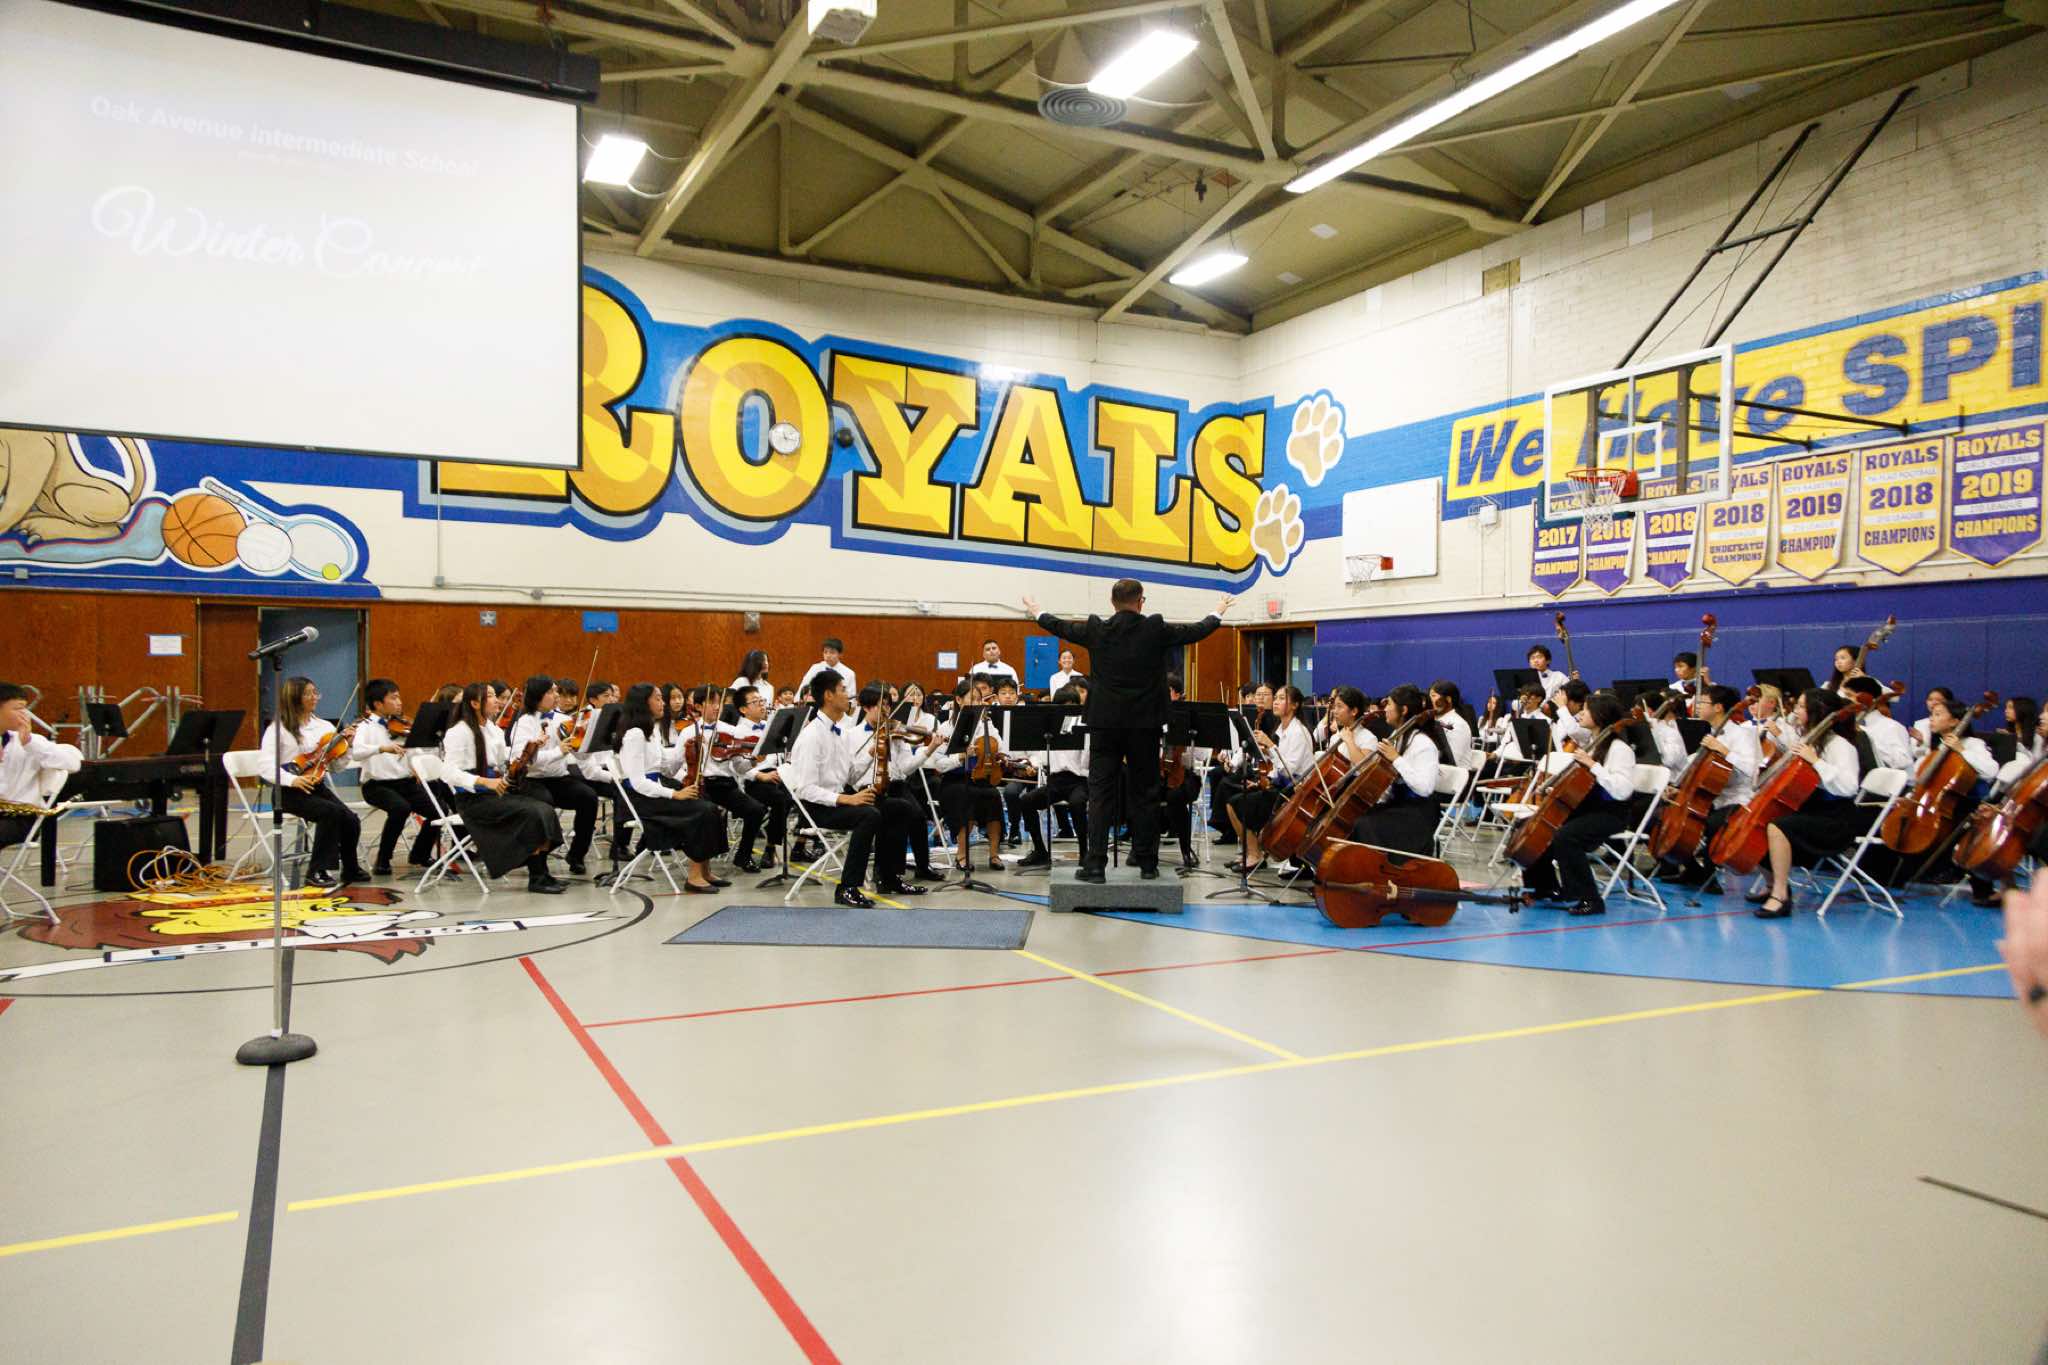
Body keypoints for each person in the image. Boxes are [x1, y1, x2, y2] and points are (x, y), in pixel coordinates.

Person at [1025, 579, 1229, 882]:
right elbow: (1196, 631)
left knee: (1100, 794)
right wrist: (1218, 611)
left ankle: (1095, 865)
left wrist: (1038, 612)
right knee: (1145, 794)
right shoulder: (1154, 628)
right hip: (1144, 725)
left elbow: (1061, 627)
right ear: (1141, 602)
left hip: (1105, 724)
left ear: (1112, 602)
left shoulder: (1097, 629)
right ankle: (1147, 864)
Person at [784, 668, 920, 906]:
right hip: (818, 807)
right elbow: (804, 789)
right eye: (843, 690)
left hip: (836, 799)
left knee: (900, 808)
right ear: (828, 695)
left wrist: (870, 754)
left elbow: (850, 775)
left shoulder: (839, 733)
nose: (848, 695)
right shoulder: (811, 736)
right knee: (868, 815)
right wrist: (846, 799)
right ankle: (847, 887)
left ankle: (888, 877)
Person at [1736, 688, 1864, 919]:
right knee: (1757, 825)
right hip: (1810, 809)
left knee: (1778, 827)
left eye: (1802, 706)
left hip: (1835, 819)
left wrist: (1815, 761)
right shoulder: (1808, 740)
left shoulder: (1840, 746)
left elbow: (1848, 787)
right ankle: (1772, 884)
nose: (1795, 710)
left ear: (1818, 711)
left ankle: (1781, 896)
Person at [1518, 691, 1638, 917]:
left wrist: (1593, 765)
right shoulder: (1593, 742)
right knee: (1532, 824)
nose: (1581, 714)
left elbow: (1622, 791)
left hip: (1611, 813)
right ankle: (1545, 887)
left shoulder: (1620, 749)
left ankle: (1590, 899)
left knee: (1566, 836)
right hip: (1587, 808)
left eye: (1586, 710)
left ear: (1600, 715)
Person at [439, 682, 566, 894]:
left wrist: (532, 748)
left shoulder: (494, 729)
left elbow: (502, 761)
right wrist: (483, 781)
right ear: (474, 703)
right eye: (490, 696)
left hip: (495, 793)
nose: (497, 700)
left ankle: (542, 873)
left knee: (545, 808)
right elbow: (448, 772)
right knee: (533, 812)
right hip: (473, 800)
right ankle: (536, 876)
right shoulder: (458, 732)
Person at [614, 684, 727, 893]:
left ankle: (705, 871)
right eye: (658, 698)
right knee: (701, 811)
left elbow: (667, 768)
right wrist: (674, 794)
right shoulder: (635, 734)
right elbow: (638, 782)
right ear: (643, 703)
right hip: (640, 799)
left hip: (653, 791)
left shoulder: (651, 731)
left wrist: (688, 748)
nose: (663, 703)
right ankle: (694, 877)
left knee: (709, 807)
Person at [258, 676, 365, 888]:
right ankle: (316, 870)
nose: (314, 697)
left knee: (351, 819)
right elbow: (265, 767)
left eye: (316, 692)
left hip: (316, 787)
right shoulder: (278, 728)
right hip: (288, 791)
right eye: (308, 693)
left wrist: (348, 746)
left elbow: (335, 767)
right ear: (294, 697)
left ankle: (350, 868)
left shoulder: (324, 726)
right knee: (330, 813)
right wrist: (293, 779)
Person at [1659, 683, 1761, 892]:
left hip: (1736, 799)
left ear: (1718, 707)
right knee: (1661, 814)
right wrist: (1677, 787)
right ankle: (1693, 870)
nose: (1697, 705)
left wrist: (1725, 751)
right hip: (1710, 797)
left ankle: (1709, 876)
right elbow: (1696, 766)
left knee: (1711, 823)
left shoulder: (1742, 735)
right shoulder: (1712, 733)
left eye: (1703, 702)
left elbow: (1751, 770)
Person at [508, 675, 601, 876]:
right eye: (551, 692)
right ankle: (539, 868)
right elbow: (521, 760)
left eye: (556, 691)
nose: (557, 696)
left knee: (588, 797)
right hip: (530, 781)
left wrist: (586, 743)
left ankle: (576, 854)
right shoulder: (524, 723)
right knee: (545, 804)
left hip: (558, 778)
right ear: (538, 696)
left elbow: (580, 754)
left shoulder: (564, 720)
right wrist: (558, 751)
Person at [1345, 684, 1451, 857]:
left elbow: (1425, 788)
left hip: (1418, 814)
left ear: (1404, 710)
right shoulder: (1398, 738)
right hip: (1398, 805)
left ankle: (1381, 868)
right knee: (1356, 816)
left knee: (1365, 824)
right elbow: (1391, 781)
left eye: (1389, 704)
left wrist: (1396, 759)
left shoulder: (1423, 744)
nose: (1385, 709)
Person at [351, 678, 439, 876]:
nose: (399, 702)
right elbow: (356, 752)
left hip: (405, 783)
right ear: (378, 704)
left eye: (399, 697)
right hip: (377, 785)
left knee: (438, 810)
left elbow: (413, 751)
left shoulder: (400, 725)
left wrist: (419, 764)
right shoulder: (365, 726)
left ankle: (420, 854)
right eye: (393, 698)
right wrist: (381, 748)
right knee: (401, 808)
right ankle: (383, 860)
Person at [1224, 684, 1313, 875]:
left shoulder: (1298, 732)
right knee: (1233, 798)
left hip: (1293, 793)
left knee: (1237, 804)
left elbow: (1289, 771)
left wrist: (1271, 746)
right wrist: (1261, 781)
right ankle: (1251, 852)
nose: (1276, 702)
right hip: (1280, 786)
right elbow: (1277, 768)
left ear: (1295, 705)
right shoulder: (1281, 729)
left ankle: (1254, 855)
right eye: (1277, 698)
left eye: (1282, 698)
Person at [1015, 683, 1088, 868]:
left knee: (1077, 803)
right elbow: (1040, 756)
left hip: (1079, 781)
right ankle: (1040, 851)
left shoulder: (1083, 725)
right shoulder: (1050, 728)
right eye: (1063, 706)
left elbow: (1087, 761)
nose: (1067, 710)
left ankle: (1085, 852)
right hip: (1055, 781)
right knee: (1026, 801)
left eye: (1072, 705)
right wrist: (1033, 765)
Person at [0, 683, 79, 848]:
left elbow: (73, 763)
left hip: (18, 818)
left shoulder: (30, 742)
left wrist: (30, 743)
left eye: (24, 708)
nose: (24, 714)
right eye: (18, 708)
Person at [1846, 677, 1913, 771]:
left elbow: (1902, 761)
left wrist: (1867, 738)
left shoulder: (1891, 727)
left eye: (1849, 695)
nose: (1843, 700)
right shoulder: (1846, 727)